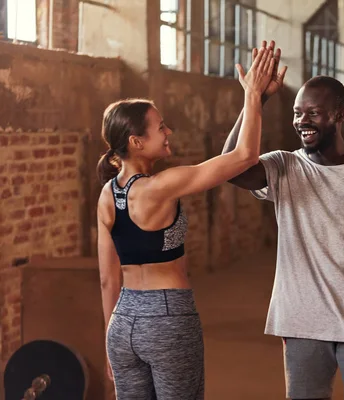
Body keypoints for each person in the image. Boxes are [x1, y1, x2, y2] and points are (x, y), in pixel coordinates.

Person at [222, 40, 344, 400]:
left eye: (313, 113)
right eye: (298, 113)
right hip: (301, 322)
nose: (302, 121)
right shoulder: (284, 166)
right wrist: (255, 99)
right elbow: (231, 168)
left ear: (339, 115)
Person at [96, 46, 278, 399]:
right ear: (136, 142)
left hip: (123, 323)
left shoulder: (107, 194)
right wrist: (252, 93)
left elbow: (107, 279)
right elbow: (244, 157)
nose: (168, 132)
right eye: (160, 127)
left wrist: (110, 339)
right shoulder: (160, 187)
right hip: (167, 318)